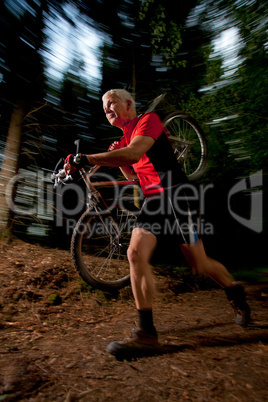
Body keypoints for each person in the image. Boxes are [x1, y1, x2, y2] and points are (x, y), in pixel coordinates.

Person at [64, 89, 250, 359]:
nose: (107, 109)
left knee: (199, 264)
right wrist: (118, 160)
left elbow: (134, 153)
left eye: (111, 103)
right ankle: (146, 334)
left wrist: (88, 158)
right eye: (104, 107)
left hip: (176, 195)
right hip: (153, 200)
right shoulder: (125, 138)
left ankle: (235, 291)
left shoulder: (148, 121)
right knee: (134, 253)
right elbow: (134, 173)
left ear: (129, 104)